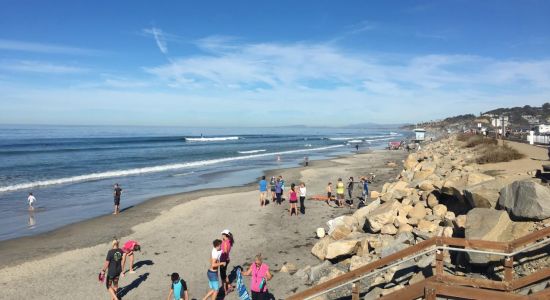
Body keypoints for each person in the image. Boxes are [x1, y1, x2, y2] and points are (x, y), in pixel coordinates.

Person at [220, 229, 235, 294]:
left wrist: (223, 262)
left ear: (225, 235)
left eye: (222, 234)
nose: (221, 235)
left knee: (223, 275)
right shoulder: (229, 241)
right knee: (224, 274)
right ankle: (228, 286)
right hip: (227, 259)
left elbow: (225, 252)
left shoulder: (225, 242)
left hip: (223, 260)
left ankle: (225, 289)